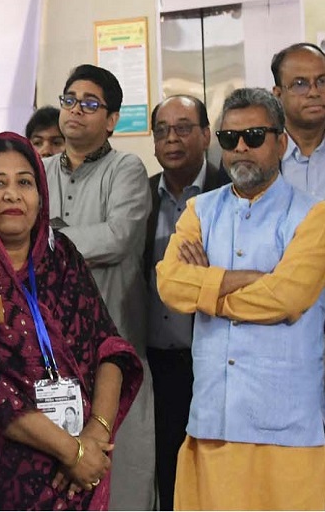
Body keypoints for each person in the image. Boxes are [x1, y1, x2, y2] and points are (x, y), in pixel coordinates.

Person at [0, 132, 142, 511]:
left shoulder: (62, 257)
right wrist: (70, 451)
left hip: (84, 472)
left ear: (40, 194)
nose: (13, 195)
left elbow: (109, 348)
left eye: (25, 182)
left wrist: (94, 437)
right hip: (10, 478)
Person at [156, 87, 325, 510]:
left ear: (281, 142)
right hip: (212, 422)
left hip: (287, 429)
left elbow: (285, 298)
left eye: (254, 136)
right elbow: (170, 285)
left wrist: (206, 289)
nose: (241, 148)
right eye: (230, 139)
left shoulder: (313, 216)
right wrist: (248, 280)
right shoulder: (199, 211)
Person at [44, 63, 154, 510]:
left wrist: (48, 238)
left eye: (90, 104)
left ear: (111, 120)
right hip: (53, 351)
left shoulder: (127, 168)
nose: (76, 110)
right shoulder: (38, 171)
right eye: (69, 100)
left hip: (117, 347)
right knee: (59, 475)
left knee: (124, 475)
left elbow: (118, 237)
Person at [142, 94, 228, 510]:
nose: (171, 139)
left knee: (215, 473)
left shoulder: (228, 192)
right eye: (162, 131)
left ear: (207, 135)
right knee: (166, 471)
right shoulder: (143, 196)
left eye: (182, 128)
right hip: (156, 363)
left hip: (212, 359)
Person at [270, 42, 325, 198]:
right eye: (300, 84)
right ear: (278, 94)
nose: (314, 92)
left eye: (322, 81)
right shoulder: (258, 150)